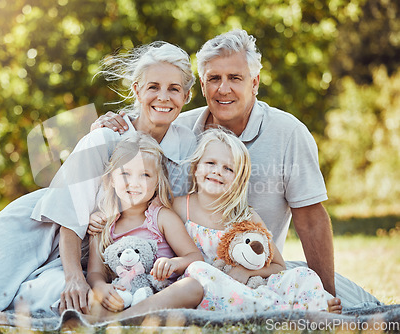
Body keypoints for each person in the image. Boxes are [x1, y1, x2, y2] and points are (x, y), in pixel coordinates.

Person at [0, 41, 198, 315]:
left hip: (97, 247)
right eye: (153, 87)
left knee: (29, 296)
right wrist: (74, 278)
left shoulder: (185, 143)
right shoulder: (107, 136)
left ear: (186, 96)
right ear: (136, 90)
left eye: (174, 89)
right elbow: (69, 212)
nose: (163, 97)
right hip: (44, 227)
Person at [91, 29, 336, 297]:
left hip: (250, 271)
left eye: (235, 78)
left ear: (254, 82)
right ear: (201, 84)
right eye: (214, 79)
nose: (223, 88)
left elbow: (311, 219)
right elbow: (137, 158)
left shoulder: (288, 133)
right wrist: (109, 125)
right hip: (177, 271)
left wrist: (327, 294)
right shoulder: (179, 127)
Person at [71, 128, 341, 325]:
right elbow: (139, 211)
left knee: (304, 275)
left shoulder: (246, 217)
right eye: (210, 163)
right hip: (204, 289)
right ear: (196, 168)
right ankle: (294, 311)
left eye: (228, 168)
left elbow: (279, 267)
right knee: (197, 271)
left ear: (239, 178)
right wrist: (103, 216)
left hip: (249, 290)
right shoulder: (176, 207)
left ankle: (307, 305)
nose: (217, 171)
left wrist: (244, 271)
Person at [85, 133, 203, 314]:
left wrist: (174, 263)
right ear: (111, 180)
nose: (134, 183)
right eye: (125, 173)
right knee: (81, 299)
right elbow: (94, 272)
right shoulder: (103, 224)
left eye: (145, 175)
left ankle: (127, 318)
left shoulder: (162, 217)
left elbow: (195, 257)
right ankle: (127, 317)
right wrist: (100, 287)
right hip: (122, 297)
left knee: (193, 287)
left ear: (157, 182)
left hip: (159, 297)